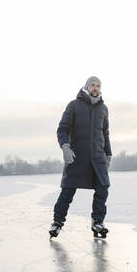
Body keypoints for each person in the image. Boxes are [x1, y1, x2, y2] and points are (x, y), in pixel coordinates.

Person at [49, 76, 112, 238]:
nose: (95, 88)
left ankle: (97, 222)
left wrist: (108, 154)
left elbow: (105, 133)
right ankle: (57, 223)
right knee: (67, 191)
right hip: (76, 157)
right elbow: (62, 129)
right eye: (92, 85)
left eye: (98, 85)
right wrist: (65, 147)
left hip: (97, 158)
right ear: (86, 87)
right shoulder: (74, 106)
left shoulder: (103, 109)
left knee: (102, 189)